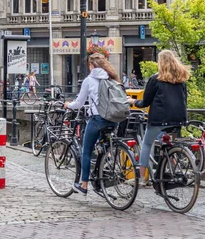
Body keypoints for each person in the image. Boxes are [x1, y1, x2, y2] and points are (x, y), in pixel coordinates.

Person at [128, 50, 190, 183]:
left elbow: (145, 101)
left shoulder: (155, 79)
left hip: (159, 119)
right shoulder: (181, 79)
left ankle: (141, 178)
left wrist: (133, 101)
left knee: (147, 144)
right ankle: (174, 169)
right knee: (167, 143)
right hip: (178, 119)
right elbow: (185, 99)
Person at [64, 53, 120, 195]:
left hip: (98, 119)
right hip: (114, 119)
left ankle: (84, 185)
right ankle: (103, 170)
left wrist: (68, 105)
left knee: (86, 151)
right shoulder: (111, 77)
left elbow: (79, 103)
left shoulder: (89, 80)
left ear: (91, 66)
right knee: (103, 146)